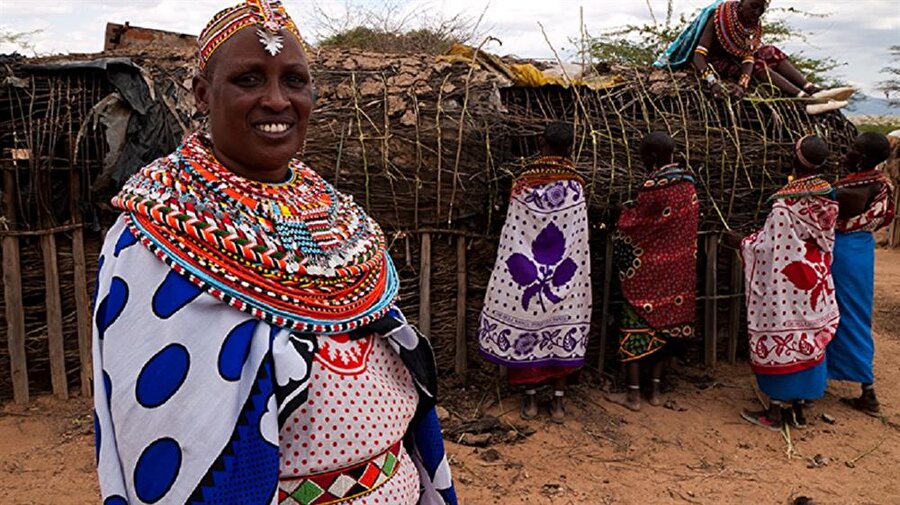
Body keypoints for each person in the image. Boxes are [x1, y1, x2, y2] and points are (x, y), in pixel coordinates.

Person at [91, 2, 457, 504]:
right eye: (248, 79)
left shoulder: (333, 216)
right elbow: (161, 416)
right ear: (202, 93)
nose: (277, 100)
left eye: (295, 80)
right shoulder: (154, 232)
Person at [477, 122, 592, 423]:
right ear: (570, 148)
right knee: (560, 329)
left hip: (526, 274)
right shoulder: (576, 187)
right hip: (565, 277)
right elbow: (577, 238)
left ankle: (528, 401)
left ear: (540, 142)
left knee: (526, 324)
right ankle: (558, 404)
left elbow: (515, 231)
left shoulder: (523, 184)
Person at [739, 135, 839, 430]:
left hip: (789, 286)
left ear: (795, 160)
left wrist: (743, 242)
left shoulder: (785, 205)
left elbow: (770, 248)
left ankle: (775, 412)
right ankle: (799, 410)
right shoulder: (828, 195)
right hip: (816, 281)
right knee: (808, 336)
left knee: (782, 334)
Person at [605, 132, 700, 412]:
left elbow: (636, 225)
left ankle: (633, 395)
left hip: (646, 275)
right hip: (678, 274)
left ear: (654, 157)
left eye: (644, 157)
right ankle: (656, 391)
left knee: (635, 328)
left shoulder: (655, 186)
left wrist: (620, 213)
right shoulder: (688, 185)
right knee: (665, 332)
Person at [654, 0, 853, 114]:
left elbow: (748, 56)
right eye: (753, 6)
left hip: (737, 60)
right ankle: (804, 100)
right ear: (741, 2)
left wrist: (742, 85)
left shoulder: (752, 25)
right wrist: (712, 82)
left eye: (761, 10)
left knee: (770, 51)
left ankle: (811, 89)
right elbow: (699, 56)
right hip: (713, 63)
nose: (756, 13)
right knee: (759, 63)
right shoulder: (719, 16)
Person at [828, 133, 895, 416]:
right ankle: (863, 389)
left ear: (866, 157)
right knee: (853, 312)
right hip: (860, 251)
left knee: (838, 312)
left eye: (854, 149)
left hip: (844, 251)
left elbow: (835, 213)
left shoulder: (859, 186)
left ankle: (867, 393)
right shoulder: (881, 186)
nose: (847, 152)